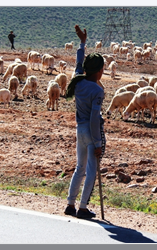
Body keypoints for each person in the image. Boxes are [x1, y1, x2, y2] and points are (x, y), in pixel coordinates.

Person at [64, 25, 105, 219]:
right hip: (90, 132)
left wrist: (82, 43)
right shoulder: (97, 91)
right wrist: (97, 143)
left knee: (79, 168)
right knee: (91, 171)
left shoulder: (78, 81)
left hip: (79, 130)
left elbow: (78, 64)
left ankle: (70, 204)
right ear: (99, 71)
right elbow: (95, 119)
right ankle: (82, 208)